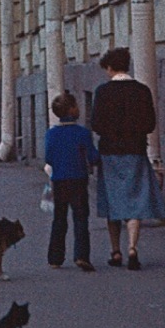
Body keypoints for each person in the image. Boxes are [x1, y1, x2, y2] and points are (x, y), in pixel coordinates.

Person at [90, 46, 165, 270]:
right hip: (135, 151)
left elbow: (96, 124)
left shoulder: (102, 92)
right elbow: (150, 124)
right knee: (135, 199)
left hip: (110, 153)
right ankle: (133, 247)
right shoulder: (142, 91)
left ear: (111, 67)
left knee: (113, 201)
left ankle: (115, 252)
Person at [44, 91, 98, 271]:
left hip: (59, 180)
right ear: (72, 109)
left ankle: (55, 258)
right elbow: (92, 156)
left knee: (59, 219)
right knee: (81, 218)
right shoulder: (82, 133)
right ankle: (81, 256)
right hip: (78, 180)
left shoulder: (51, 134)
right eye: (76, 106)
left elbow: (49, 158)